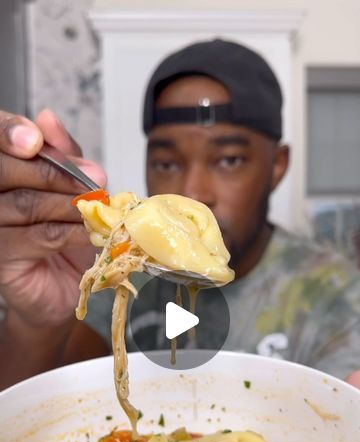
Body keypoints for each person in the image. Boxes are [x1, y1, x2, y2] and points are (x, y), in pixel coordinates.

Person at [0, 39, 359, 390]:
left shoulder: (334, 294)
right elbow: (46, 414)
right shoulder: (118, 273)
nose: (192, 191)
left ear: (277, 165)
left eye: (229, 160)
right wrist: (36, 322)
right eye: (166, 163)